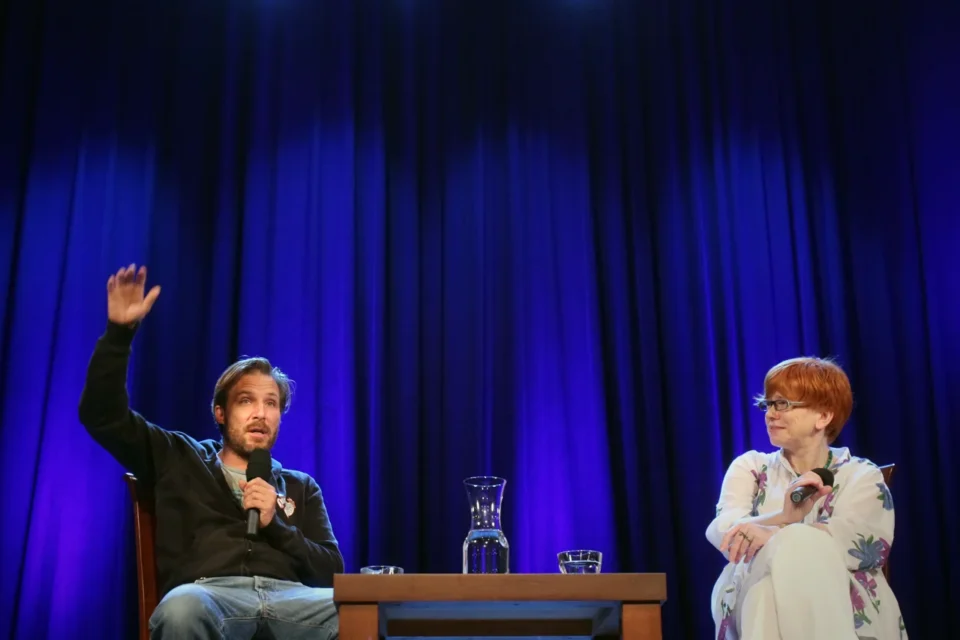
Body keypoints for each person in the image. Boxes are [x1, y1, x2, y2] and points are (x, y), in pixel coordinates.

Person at [78, 264, 343, 640]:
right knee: (182, 609)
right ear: (220, 412)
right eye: (246, 400)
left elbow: (332, 571)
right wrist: (119, 335)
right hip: (210, 596)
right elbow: (102, 415)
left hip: (292, 601)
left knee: (367, 610)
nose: (260, 413)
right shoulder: (178, 457)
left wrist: (277, 525)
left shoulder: (301, 486)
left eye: (271, 403)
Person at [705, 357, 907, 640]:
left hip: (840, 594)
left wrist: (776, 535)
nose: (770, 414)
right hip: (750, 582)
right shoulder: (750, 467)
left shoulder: (860, 475)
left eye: (782, 404)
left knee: (767, 594)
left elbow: (865, 544)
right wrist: (783, 519)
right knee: (766, 584)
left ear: (823, 416)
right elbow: (725, 532)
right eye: (768, 404)